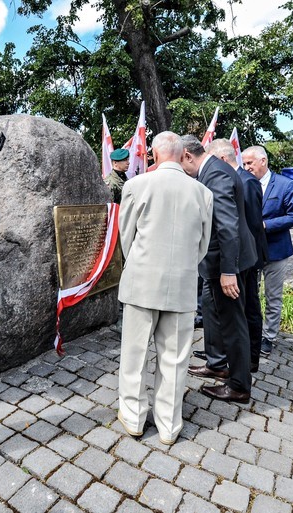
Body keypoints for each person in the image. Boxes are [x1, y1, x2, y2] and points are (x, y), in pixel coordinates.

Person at [117, 131, 213, 445]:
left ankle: (133, 416)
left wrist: (141, 265)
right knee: (175, 358)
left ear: (155, 155)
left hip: (142, 282)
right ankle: (169, 424)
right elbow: (203, 244)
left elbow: (126, 237)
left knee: (134, 354)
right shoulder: (202, 192)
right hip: (183, 285)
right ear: (180, 153)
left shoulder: (135, 185)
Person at [181, 135, 257, 404]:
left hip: (228, 263)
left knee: (234, 324)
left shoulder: (217, 175)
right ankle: (218, 364)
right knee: (215, 313)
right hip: (215, 263)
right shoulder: (213, 170)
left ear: (188, 156)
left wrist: (228, 271)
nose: (182, 171)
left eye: (181, 164)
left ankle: (238, 386)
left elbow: (227, 226)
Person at [205, 139, 269, 373]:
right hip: (238, 257)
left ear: (221, 160)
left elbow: (250, 225)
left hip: (246, 257)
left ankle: (250, 358)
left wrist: (235, 262)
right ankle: (230, 357)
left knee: (249, 307)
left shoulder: (246, 181)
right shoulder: (234, 178)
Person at [242, 145, 293, 356]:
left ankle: (269, 337)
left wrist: (266, 225)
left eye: (249, 163)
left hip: (276, 250)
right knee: (250, 294)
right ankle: (252, 333)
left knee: (273, 296)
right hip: (251, 251)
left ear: (263, 161)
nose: (246, 167)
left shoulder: (285, 185)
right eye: (244, 163)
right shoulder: (243, 182)